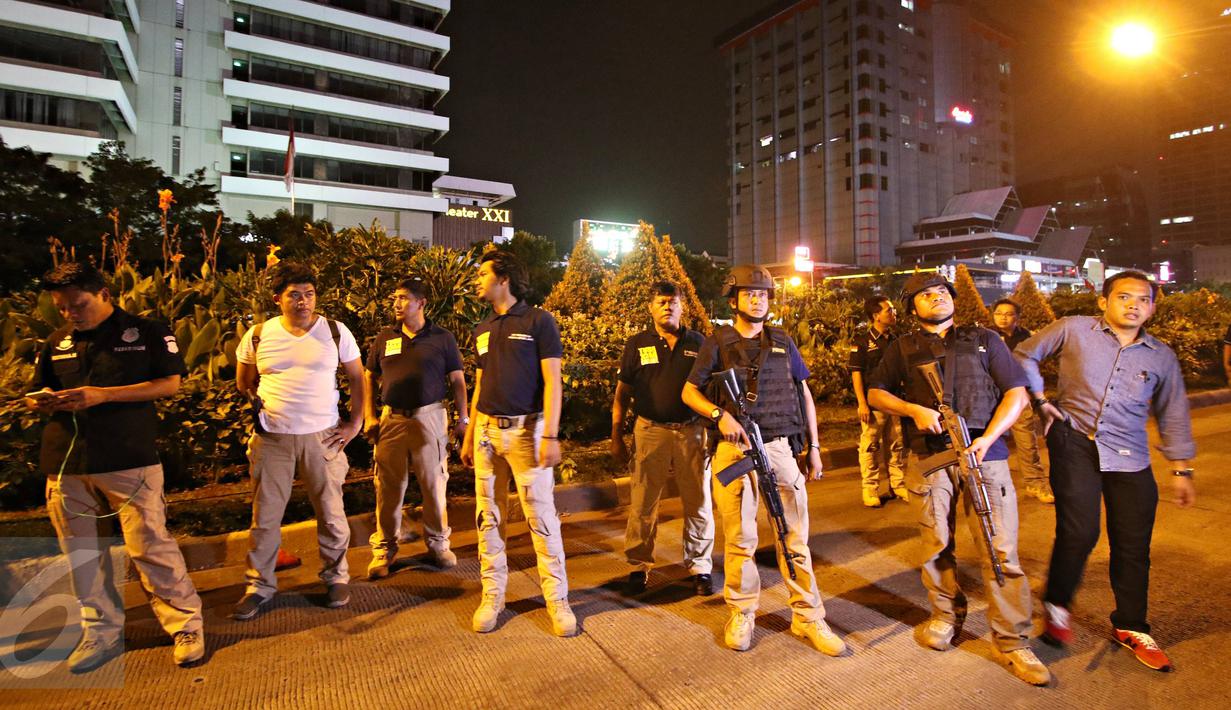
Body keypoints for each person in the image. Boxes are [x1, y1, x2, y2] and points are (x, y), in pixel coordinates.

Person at [866, 272, 1050, 686]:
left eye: (942, 292)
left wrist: (989, 438)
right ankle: (946, 614)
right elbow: (876, 393)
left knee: (1000, 547)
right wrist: (914, 411)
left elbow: (1016, 393)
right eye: (925, 296)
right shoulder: (903, 347)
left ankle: (1011, 638)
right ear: (912, 307)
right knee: (935, 544)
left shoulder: (985, 339)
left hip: (986, 455)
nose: (936, 299)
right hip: (929, 458)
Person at [1014, 270, 1196, 672]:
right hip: (1074, 441)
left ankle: (1131, 626)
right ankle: (1058, 605)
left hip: (1130, 454)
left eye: (1143, 299)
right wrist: (1040, 400)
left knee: (1132, 544)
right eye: (1124, 297)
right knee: (1079, 532)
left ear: (1152, 306)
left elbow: (1174, 411)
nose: (1133, 305)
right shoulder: (1073, 329)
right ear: (1104, 301)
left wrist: (1181, 469)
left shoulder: (1160, 355)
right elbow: (1023, 354)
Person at [26, 262, 204, 671]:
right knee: (82, 554)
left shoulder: (147, 332)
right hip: (68, 462)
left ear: (103, 293)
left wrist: (103, 395)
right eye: (62, 306)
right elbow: (43, 388)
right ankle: (100, 631)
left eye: (78, 303)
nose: (70, 312)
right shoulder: (57, 341)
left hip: (128, 460)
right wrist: (39, 400)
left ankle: (184, 625)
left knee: (150, 547)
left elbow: (170, 383)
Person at [681, 265, 845, 656]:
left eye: (763, 294)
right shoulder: (717, 341)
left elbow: (803, 395)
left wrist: (814, 447)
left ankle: (807, 615)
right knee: (740, 539)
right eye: (749, 294)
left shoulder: (783, 341)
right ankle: (742, 611)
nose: (757, 300)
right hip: (734, 449)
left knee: (795, 538)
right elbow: (690, 393)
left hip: (779, 448)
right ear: (734, 299)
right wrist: (721, 416)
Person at [231, 261, 365, 620]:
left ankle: (336, 577)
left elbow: (357, 377)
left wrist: (355, 423)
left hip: (323, 437)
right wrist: (257, 407)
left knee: (331, 512)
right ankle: (258, 585)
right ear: (278, 299)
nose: (303, 301)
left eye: (309, 294)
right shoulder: (258, 335)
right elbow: (243, 380)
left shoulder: (335, 332)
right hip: (272, 437)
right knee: (265, 516)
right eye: (294, 295)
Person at [460, 250, 575, 637]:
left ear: (503, 278)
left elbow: (553, 382)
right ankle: (492, 596)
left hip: (529, 432)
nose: (477, 280)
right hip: (487, 436)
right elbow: (480, 385)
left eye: (482, 273)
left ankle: (557, 601)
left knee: (541, 521)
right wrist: (470, 432)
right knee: (488, 520)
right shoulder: (482, 327)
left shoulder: (539, 321)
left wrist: (551, 434)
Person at [611, 281, 714, 596]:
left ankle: (700, 567)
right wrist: (616, 434)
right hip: (650, 430)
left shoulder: (699, 343)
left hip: (691, 431)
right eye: (661, 301)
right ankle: (638, 566)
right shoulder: (636, 344)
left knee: (697, 501)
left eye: (673, 301)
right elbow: (623, 394)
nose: (668, 306)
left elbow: (711, 390)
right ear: (650, 308)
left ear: (683, 307)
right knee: (643, 502)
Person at [363, 277, 468, 578]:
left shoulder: (442, 338)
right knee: (387, 488)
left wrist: (463, 419)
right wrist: (370, 416)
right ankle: (384, 549)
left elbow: (458, 381)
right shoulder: (385, 337)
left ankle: (437, 545)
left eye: (403, 298)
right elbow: (369, 376)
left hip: (429, 417)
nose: (396, 303)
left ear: (421, 303)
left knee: (434, 485)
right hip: (391, 420)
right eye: (395, 297)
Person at [990, 299, 1053, 504]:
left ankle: (1035, 483)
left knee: (1027, 441)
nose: (1003, 317)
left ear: (1017, 317)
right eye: (999, 313)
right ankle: (988, 489)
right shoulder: (986, 336)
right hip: (991, 396)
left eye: (1008, 314)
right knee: (987, 442)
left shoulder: (1026, 337)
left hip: (1018, 395)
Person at [849, 294, 907, 508]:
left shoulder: (895, 341)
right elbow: (856, 374)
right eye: (889, 310)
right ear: (876, 315)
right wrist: (862, 403)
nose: (893, 313)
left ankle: (898, 484)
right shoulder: (862, 342)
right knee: (871, 446)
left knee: (896, 445)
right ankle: (871, 488)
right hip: (874, 405)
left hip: (895, 402)